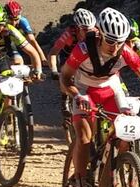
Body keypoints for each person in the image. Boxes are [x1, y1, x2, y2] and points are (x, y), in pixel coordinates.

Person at [60, 7, 140, 187]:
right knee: (84, 136)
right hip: (83, 89)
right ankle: (80, 183)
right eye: (111, 41)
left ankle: (118, 164)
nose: (115, 47)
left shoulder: (127, 52)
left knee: (125, 131)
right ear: (99, 35)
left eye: (120, 42)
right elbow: (65, 78)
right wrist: (76, 95)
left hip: (110, 89)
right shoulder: (83, 49)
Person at [48, 8, 97, 144]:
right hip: (67, 60)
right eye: (85, 30)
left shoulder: (96, 33)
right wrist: (54, 71)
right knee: (65, 82)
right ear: (77, 28)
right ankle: (67, 119)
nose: (89, 33)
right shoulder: (69, 34)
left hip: (84, 61)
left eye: (91, 29)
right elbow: (53, 53)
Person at [0, 2, 42, 79]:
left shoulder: (9, 30)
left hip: (1, 60)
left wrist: (37, 70)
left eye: (1, 24)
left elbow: (32, 52)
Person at [4, 0, 48, 66]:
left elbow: (32, 41)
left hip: (18, 43)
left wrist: (43, 58)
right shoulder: (1, 22)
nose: (13, 23)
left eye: (16, 19)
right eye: (10, 19)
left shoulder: (23, 21)